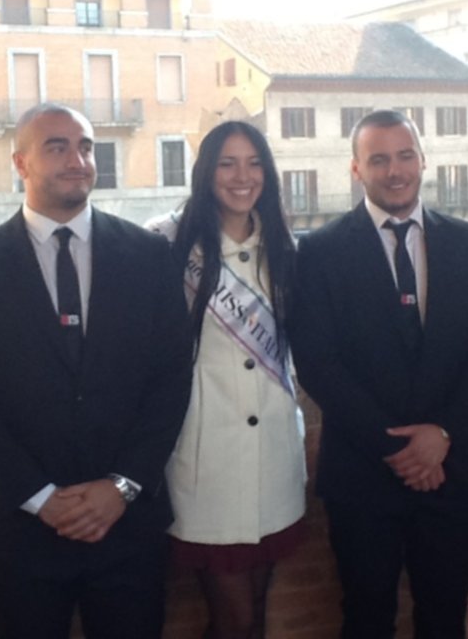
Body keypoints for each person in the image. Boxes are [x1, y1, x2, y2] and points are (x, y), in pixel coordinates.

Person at [0, 104, 193, 639]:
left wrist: (122, 486)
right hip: (23, 533)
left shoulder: (148, 256)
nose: (77, 160)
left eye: (86, 147)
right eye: (57, 147)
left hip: (128, 529)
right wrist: (40, 498)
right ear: (20, 163)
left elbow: (170, 381)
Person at [290, 109, 468, 639]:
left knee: (445, 619)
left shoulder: (467, 242)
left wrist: (442, 433)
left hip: (451, 472)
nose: (395, 171)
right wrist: (401, 450)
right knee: (366, 621)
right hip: (362, 478)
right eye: (379, 159)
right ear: (356, 169)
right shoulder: (319, 252)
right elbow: (318, 364)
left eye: (405, 156)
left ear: (423, 160)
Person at [148, 121, 306, 639]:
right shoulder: (165, 244)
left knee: (255, 612)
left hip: (274, 456)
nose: (243, 176)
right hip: (206, 458)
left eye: (255, 163)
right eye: (228, 163)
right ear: (205, 171)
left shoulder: (283, 245)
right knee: (234, 619)